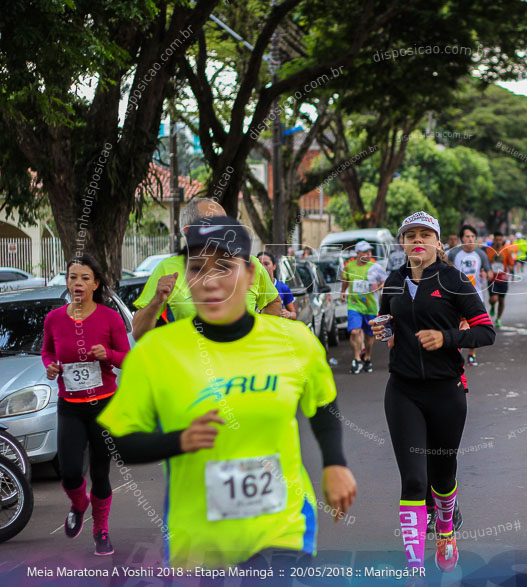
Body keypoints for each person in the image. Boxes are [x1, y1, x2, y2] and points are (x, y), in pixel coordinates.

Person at [97, 216, 357, 569]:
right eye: (197, 267)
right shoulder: (155, 352)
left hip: (281, 523)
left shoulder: (294, 342)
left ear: (251, 275)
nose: (210, 280)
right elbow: (118, 440)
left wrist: (335, 464)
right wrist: (179, 441)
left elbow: (322, 405)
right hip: (200, 531)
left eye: (224, 266)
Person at [369, 211, 495, 573]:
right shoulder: (393, 281)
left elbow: (486, 332)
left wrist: (447, 338)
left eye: (426, 234)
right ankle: (414, 568)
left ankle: (444, 529)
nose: (418, 240)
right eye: (411, 235)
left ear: (439, 243)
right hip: (403, 391)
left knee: (442, 476)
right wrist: (384, 329)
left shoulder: (454, 280)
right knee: (413, 479)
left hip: (446, 392)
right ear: (403, 243)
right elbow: (387, 321)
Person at [42, 254, 130, 556]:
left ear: (95, 284)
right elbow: (47, 352)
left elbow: (127, 357)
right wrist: (51, 367)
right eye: (72, 277)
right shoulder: (53, 319)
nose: (77, 283)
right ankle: (80, 505)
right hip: (70, 405)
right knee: (68, 471)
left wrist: (108, 354)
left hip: (103, 405)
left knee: (101, 472)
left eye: (84, 278)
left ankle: (100, 530)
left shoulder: (110, 318)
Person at [132, 197, 281, 340]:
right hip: (191, 364)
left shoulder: (248, 264)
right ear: (189, 232)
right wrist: (156, 301)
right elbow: (139, 334)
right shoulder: (167, 268)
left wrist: (257, 336)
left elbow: (273, 301)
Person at [448, 225, 493, 366]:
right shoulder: (454, 253)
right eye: (467, 236)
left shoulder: (481, 254)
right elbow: (446, 271)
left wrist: (486, 275)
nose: (470, 239)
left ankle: (472, 354)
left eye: (473, 236)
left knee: (475, 327)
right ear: (462, 238)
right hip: (456, 297)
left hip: (476, 296)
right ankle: (456, 353)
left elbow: (490, 274)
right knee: (456, 324)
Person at [341, 241, 377, 373]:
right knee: (355, 331)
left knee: (368, 335)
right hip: (354, 304)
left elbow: (384, 281)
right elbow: (345, 279)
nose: (369, 254)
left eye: (370, 252)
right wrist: (342, 291)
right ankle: (357, 359)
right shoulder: (349, 266)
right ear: (358, 253)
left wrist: (377, 286)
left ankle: (367, 357)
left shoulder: (374, 266)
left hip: (370, 305)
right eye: (366, 252)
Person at [487, 232, 517, 328]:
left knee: (501, 300)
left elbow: (511, 263)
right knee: (494, 299)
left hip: (503, 278)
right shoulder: (488, 250)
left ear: (502, 240)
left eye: (500, 240)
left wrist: (512, 271)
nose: (498, 242)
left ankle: (498, 318)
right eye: (496, 240)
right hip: (492, 278)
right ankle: (492, 305)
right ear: (493, 240)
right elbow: (485, 263)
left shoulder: (506, 250)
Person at [257, 251, 296, 320]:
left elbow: (294, 314)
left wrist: (289, 314)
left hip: (276, 328)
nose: (262, 267)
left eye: (266, 264)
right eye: (259, 264)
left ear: (274, 266)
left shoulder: (283, 288)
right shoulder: (250, 287)